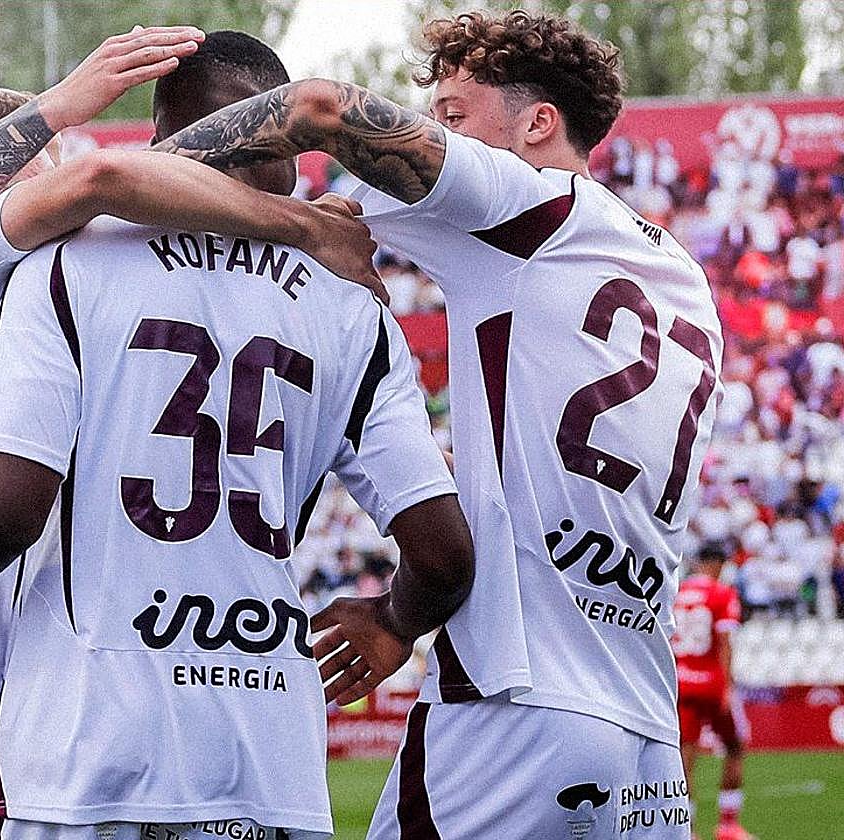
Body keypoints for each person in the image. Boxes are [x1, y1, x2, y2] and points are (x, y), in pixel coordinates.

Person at [0, 30, 475, 840]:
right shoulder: (23, 264)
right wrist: (302, 228)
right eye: (41, 163)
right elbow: (103, 181)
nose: (66, 184)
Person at [157, 9, 723, 839]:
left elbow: (315, 107)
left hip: (515, 707)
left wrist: (117, 175)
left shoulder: (522, 204)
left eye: (455, 115)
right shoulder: (682, 276)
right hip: (646, 732)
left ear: (538, 124)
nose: (435, 132)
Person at [672, 543, 751, 840]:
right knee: (735, 747)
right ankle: (728, 826)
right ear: (718, 563)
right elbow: (725, 640)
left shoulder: (677, 592)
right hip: (712, 683)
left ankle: (688, 831)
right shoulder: (722, 593)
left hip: (680, 682)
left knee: (684, 759)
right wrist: (728, 686)